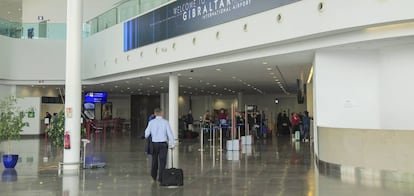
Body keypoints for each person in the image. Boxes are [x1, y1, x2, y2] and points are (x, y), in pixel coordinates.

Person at [144, 108, 175, 183]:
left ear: (154, 114)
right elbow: (170, 134)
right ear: (162, 113)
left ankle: (153, 175)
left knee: (154, 160)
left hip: (154, 144)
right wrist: (172, 144)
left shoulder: (151, 122)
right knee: (162, 161)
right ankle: (161, 177)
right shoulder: (165, 122)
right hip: (163, 144)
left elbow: (146, 134)